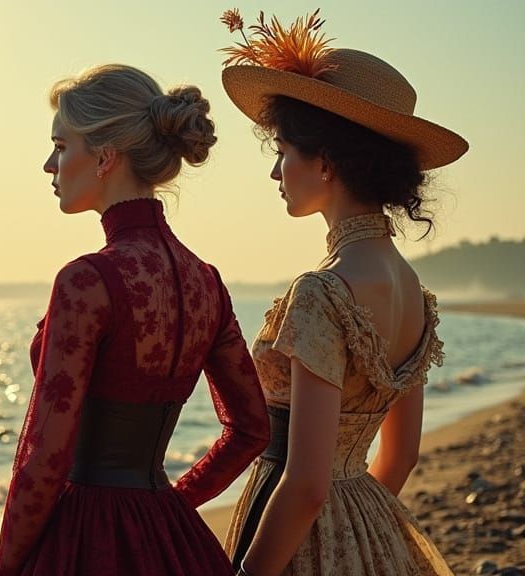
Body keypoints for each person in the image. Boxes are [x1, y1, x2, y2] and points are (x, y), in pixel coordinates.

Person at [0, 63, 270, 576]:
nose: (49, 165)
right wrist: (169, 506)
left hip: (81, 538)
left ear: (103, 157)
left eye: (60, 145)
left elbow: (44, 456)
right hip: (170, 539)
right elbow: (252, 430)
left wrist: (5, 570)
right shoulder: (206, 281)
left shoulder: (87, 281)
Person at [217, 10, 468, 576]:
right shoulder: (412, 289)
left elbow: (304, 484)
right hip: (368, 517)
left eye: (282, 152)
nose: (276, 172)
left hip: (293, 532)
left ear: (325, 162)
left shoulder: (323, 291)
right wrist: (355, 531)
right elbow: (400, 457)